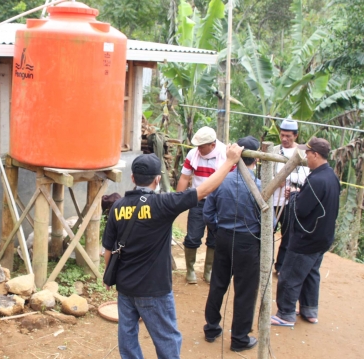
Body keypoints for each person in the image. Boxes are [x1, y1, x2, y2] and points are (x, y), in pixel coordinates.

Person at [103, 145, 243, 359]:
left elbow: (108, 250)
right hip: (154, 289)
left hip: (125, 287)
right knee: (167, 339)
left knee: (127, 337)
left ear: (132, 177)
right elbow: (203, 190)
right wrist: (229, 162)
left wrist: (109, 276)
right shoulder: (163, 204)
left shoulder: (117, 207)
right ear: (157, 179)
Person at [271, 137, 340, 327]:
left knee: (289, 275)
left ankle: (285, 313)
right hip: (322, 237)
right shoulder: (331, 176)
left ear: (315, 155)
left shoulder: (317, 180)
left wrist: (293, 196)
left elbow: (301, 209)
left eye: (308, 154)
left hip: (307, 238)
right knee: (311, 273)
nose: (306, 157)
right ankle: (310, 310)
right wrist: (298, 193)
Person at [202, 136, 261, 352]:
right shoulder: (259, 186)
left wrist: (219, 231)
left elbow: (208, 213)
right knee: (245, 290)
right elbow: (269, 222)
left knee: (218, 283)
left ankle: (211, 328)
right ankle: (239, 338)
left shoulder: (221, 180)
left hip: (224, 238)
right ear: (256, 160)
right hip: (247, 241)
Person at [176, 126, 229, 284]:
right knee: (192, 236)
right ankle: (190, 270)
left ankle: (209, 270)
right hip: (198, 200)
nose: (198, 149)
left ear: (212, 145)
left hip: (219, 202)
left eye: (201, 146)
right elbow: (185, 178)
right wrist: (178, 200)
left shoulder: (226, 155)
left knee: (215, 237)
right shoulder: (193, 154)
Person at [273, 118, 309, 275]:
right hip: (272, 199)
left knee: (287, 235)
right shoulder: (273, 150)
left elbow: (305, 178)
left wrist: (289, 181)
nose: (285, 139)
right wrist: (276, 180)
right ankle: (264, 262)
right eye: (282, 135)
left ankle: (280, 267)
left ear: (295, 136)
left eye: (288, 136)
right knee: (266, 231)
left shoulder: (302, 153)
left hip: (290, 201)